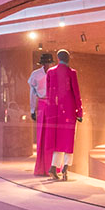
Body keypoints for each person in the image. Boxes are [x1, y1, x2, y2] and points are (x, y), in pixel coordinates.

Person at [34, 49, 82, 180]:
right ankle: (66, 167)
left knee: (57, 140)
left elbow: (49, 93)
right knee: (68, 139)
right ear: (68, 58)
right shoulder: (72, 73)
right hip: (69, 111)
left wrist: (50, 110)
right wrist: (80, 111)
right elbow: (76, 93)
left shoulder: (51, 72)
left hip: (55, 111)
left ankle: (54, 167)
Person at [28, 53, 53, 121]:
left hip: (52, 104)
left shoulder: (54, 74)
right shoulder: (35, 74)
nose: (47, 65)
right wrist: (32, 110)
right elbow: (32, 93)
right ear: (42, 64)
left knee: (51, 128)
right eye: (45, 63)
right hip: (41, 103)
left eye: (49, 63)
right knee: (41, 126)